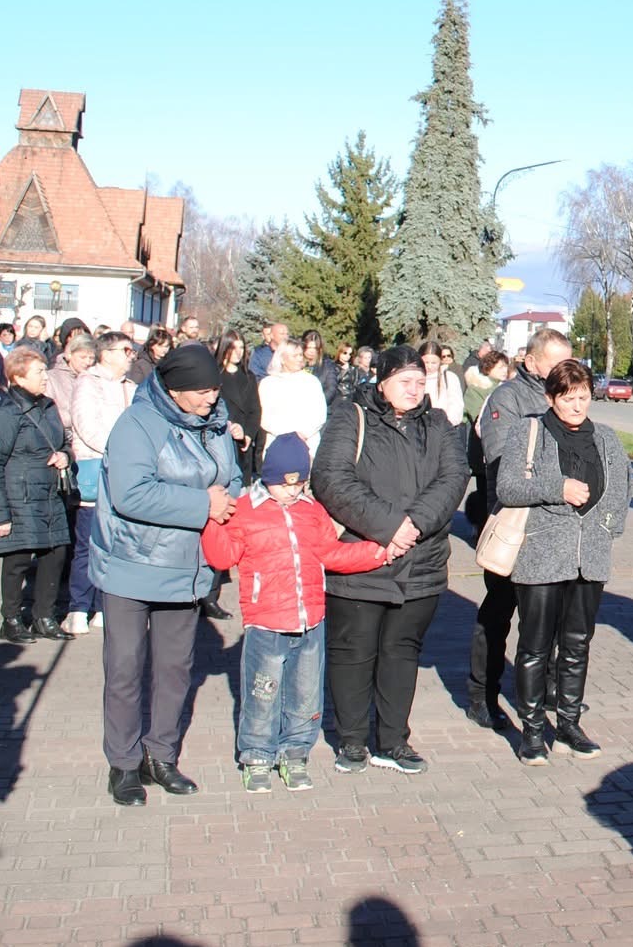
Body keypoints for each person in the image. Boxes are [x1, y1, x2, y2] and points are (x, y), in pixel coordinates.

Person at [94, 343, 242, 805]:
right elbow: (130, 494)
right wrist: (204, 504)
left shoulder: (214, 420)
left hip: (186, 565)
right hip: (131, 564)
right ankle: (122, 764)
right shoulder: (137, 424)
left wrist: (226, 497)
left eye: (215, 388)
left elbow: (232, 476)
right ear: (173, 389)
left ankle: (161, 755)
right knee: (124, 669)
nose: (211, 398)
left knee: (176, 669)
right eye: (201, 391)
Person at [203, 434, 389, 792]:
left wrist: (376, 553)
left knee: (305, 694)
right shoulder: (244, 510)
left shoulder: (311, 510)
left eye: (299, 483)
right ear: (267, 477)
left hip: (310, 619)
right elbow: (222, 557)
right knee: (263, 692)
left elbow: (331, 554)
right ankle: (257, 755)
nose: (291, 491)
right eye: (283, 484)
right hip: (266, 621)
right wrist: (210, 520)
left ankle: (295, 753)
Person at [314, 345, 465, 775]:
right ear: (382, 381)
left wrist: (413, 524)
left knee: (401, 653)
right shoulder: (351, 416)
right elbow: (330, 476)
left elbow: (454, 477)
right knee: (353, 652)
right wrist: (387, 526)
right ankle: (353, 741)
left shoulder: (438, 424)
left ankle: (393, 740)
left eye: (421, 382)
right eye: (405, 381)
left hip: (421, 561)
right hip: (364, 558)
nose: (415, 389)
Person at [494, 360, 632, 765]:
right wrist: (558, 488)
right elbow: (508, 486)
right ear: (551, 397)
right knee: (535, 646)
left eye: (584, 397)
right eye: (568, 398)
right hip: (541, 555)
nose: (577, 406)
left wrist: (608, 527)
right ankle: (533, 730)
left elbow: (623, 485)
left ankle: (569, 723)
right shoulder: (530, 431)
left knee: (577, 644)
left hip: (590, 557)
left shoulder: (605, 438)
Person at [468, 329, 573, 729]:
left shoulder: (564, 394)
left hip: (557, 525)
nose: (566, 369)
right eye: (556, 362)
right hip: (515, 522)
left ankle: (544, 689)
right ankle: (482, 693)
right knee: (499, 612)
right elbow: (501, 460)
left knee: (552, 616)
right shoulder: (507, 398)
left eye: (569, 361)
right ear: (531, 362)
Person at [0, 348, 76, 643]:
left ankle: (44, 617)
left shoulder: (48, 406)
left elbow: (65, 444)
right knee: (18, 560)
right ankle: (10, 619)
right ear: (18, 376)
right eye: (38, 372)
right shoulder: (5, 413)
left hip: (51, 495)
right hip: (19, 496)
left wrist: (65, 456)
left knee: (55, 555)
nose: (45, 378)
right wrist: (0, 514)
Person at [65, 331, 135, 635]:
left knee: (115, 544)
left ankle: (103, 607)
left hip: (125, 473)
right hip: (97, 469)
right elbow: (85, 424)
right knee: (88, 543)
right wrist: (117, 449)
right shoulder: (88, 383)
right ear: (107, 353)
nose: (131, 355)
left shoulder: (131, 388)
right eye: (126, 350)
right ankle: (78, 607)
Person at [258, 340, 328, 458]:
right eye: (295, 356)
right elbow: (265, 417)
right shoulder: (268, 384)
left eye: (301, 355)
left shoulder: (311, 382)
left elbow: (320, 413)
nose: (300, 359)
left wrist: (302, 435)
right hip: (277, 445)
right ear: (282, 358)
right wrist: (288, 437)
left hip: (308, 444)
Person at [215, 331, 263, 486]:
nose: (238, 352)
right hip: (219, 440)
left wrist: (248, 435)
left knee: (241, 489)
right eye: (233, 347)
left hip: (242, 444)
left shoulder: (249, 377)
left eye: (241, 347)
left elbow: (255, 410)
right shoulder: (214, 374)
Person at [420, 342, 466, 425]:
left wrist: (445, 424)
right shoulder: (415, 378)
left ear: (440, 361)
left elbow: (456, 405)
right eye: (426, 362)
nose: (429, 366)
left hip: (443, 428)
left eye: (434, 363)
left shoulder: (449, 377)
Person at [301, 330, 340, 405]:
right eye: (309, 347)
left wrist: (317, 405)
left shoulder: (328, 366)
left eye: (315, 348)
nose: (311, 351)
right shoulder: (295, 363)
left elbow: (331, 389)